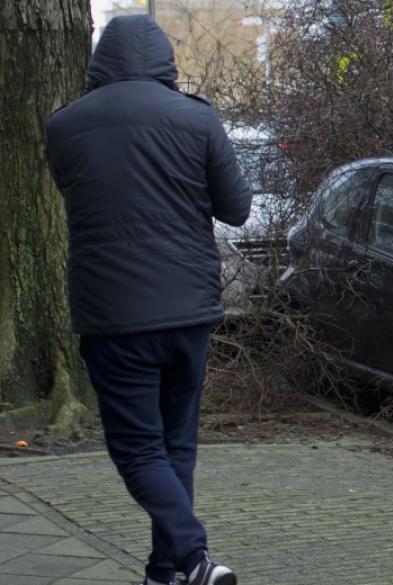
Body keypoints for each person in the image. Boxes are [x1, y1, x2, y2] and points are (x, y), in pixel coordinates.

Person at [45, 14, 251, 585]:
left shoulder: (64, 125)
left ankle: (188, 557)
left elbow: (75, 191)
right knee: (175, 444)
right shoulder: (197, 118)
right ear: (165, 59)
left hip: (112, 313)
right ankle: (168, 571)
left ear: (98, 60)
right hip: (190, 310)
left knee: (138, 450)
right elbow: (236, 208)